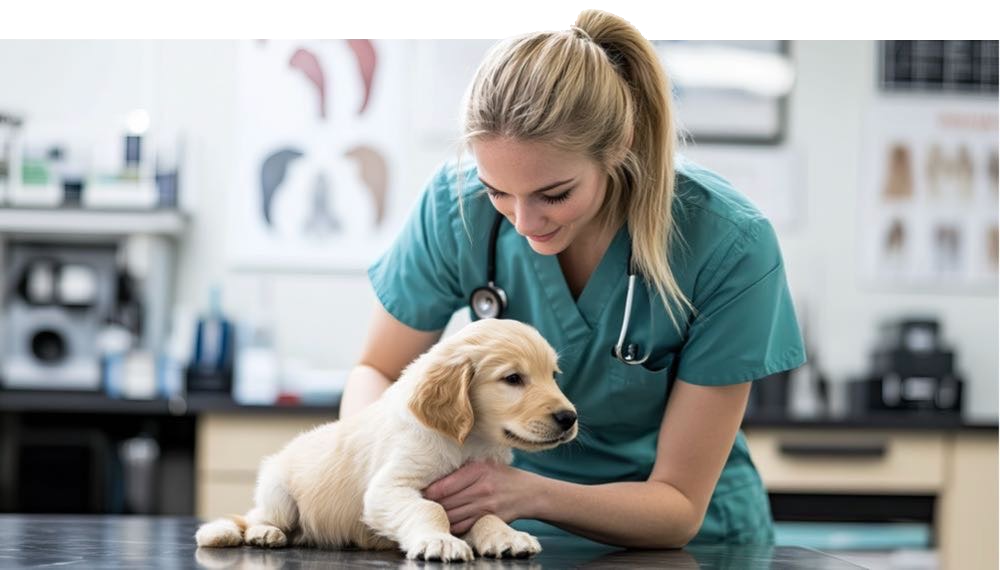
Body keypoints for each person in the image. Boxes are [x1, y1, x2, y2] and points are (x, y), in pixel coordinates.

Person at [341, 12, 805, 548]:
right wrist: (383, 468)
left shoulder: (728, 243)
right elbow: (376, 370)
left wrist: (526, 493)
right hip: (494, 531)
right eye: (497, 191)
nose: (523, 221)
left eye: (554, 194)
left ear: (621, 145)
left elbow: (678, 507)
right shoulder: (456, 207)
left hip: (685, 546)